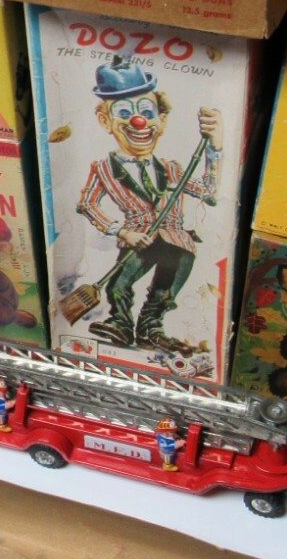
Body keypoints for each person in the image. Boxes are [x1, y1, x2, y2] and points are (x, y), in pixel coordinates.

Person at [77, 60, 221, 351]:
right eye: (124, 113)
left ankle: (151, 329)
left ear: (162, 121)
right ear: (105, 121)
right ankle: (120, 324)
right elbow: (87, 204)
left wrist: (214, 149)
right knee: (118, 285)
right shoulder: (102, 168)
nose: (138, 122)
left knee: (166, 289)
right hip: (138, 239)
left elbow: (209, 193)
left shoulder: (172, 168)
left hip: (177, 241)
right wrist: (121, 232)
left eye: (146, 113)